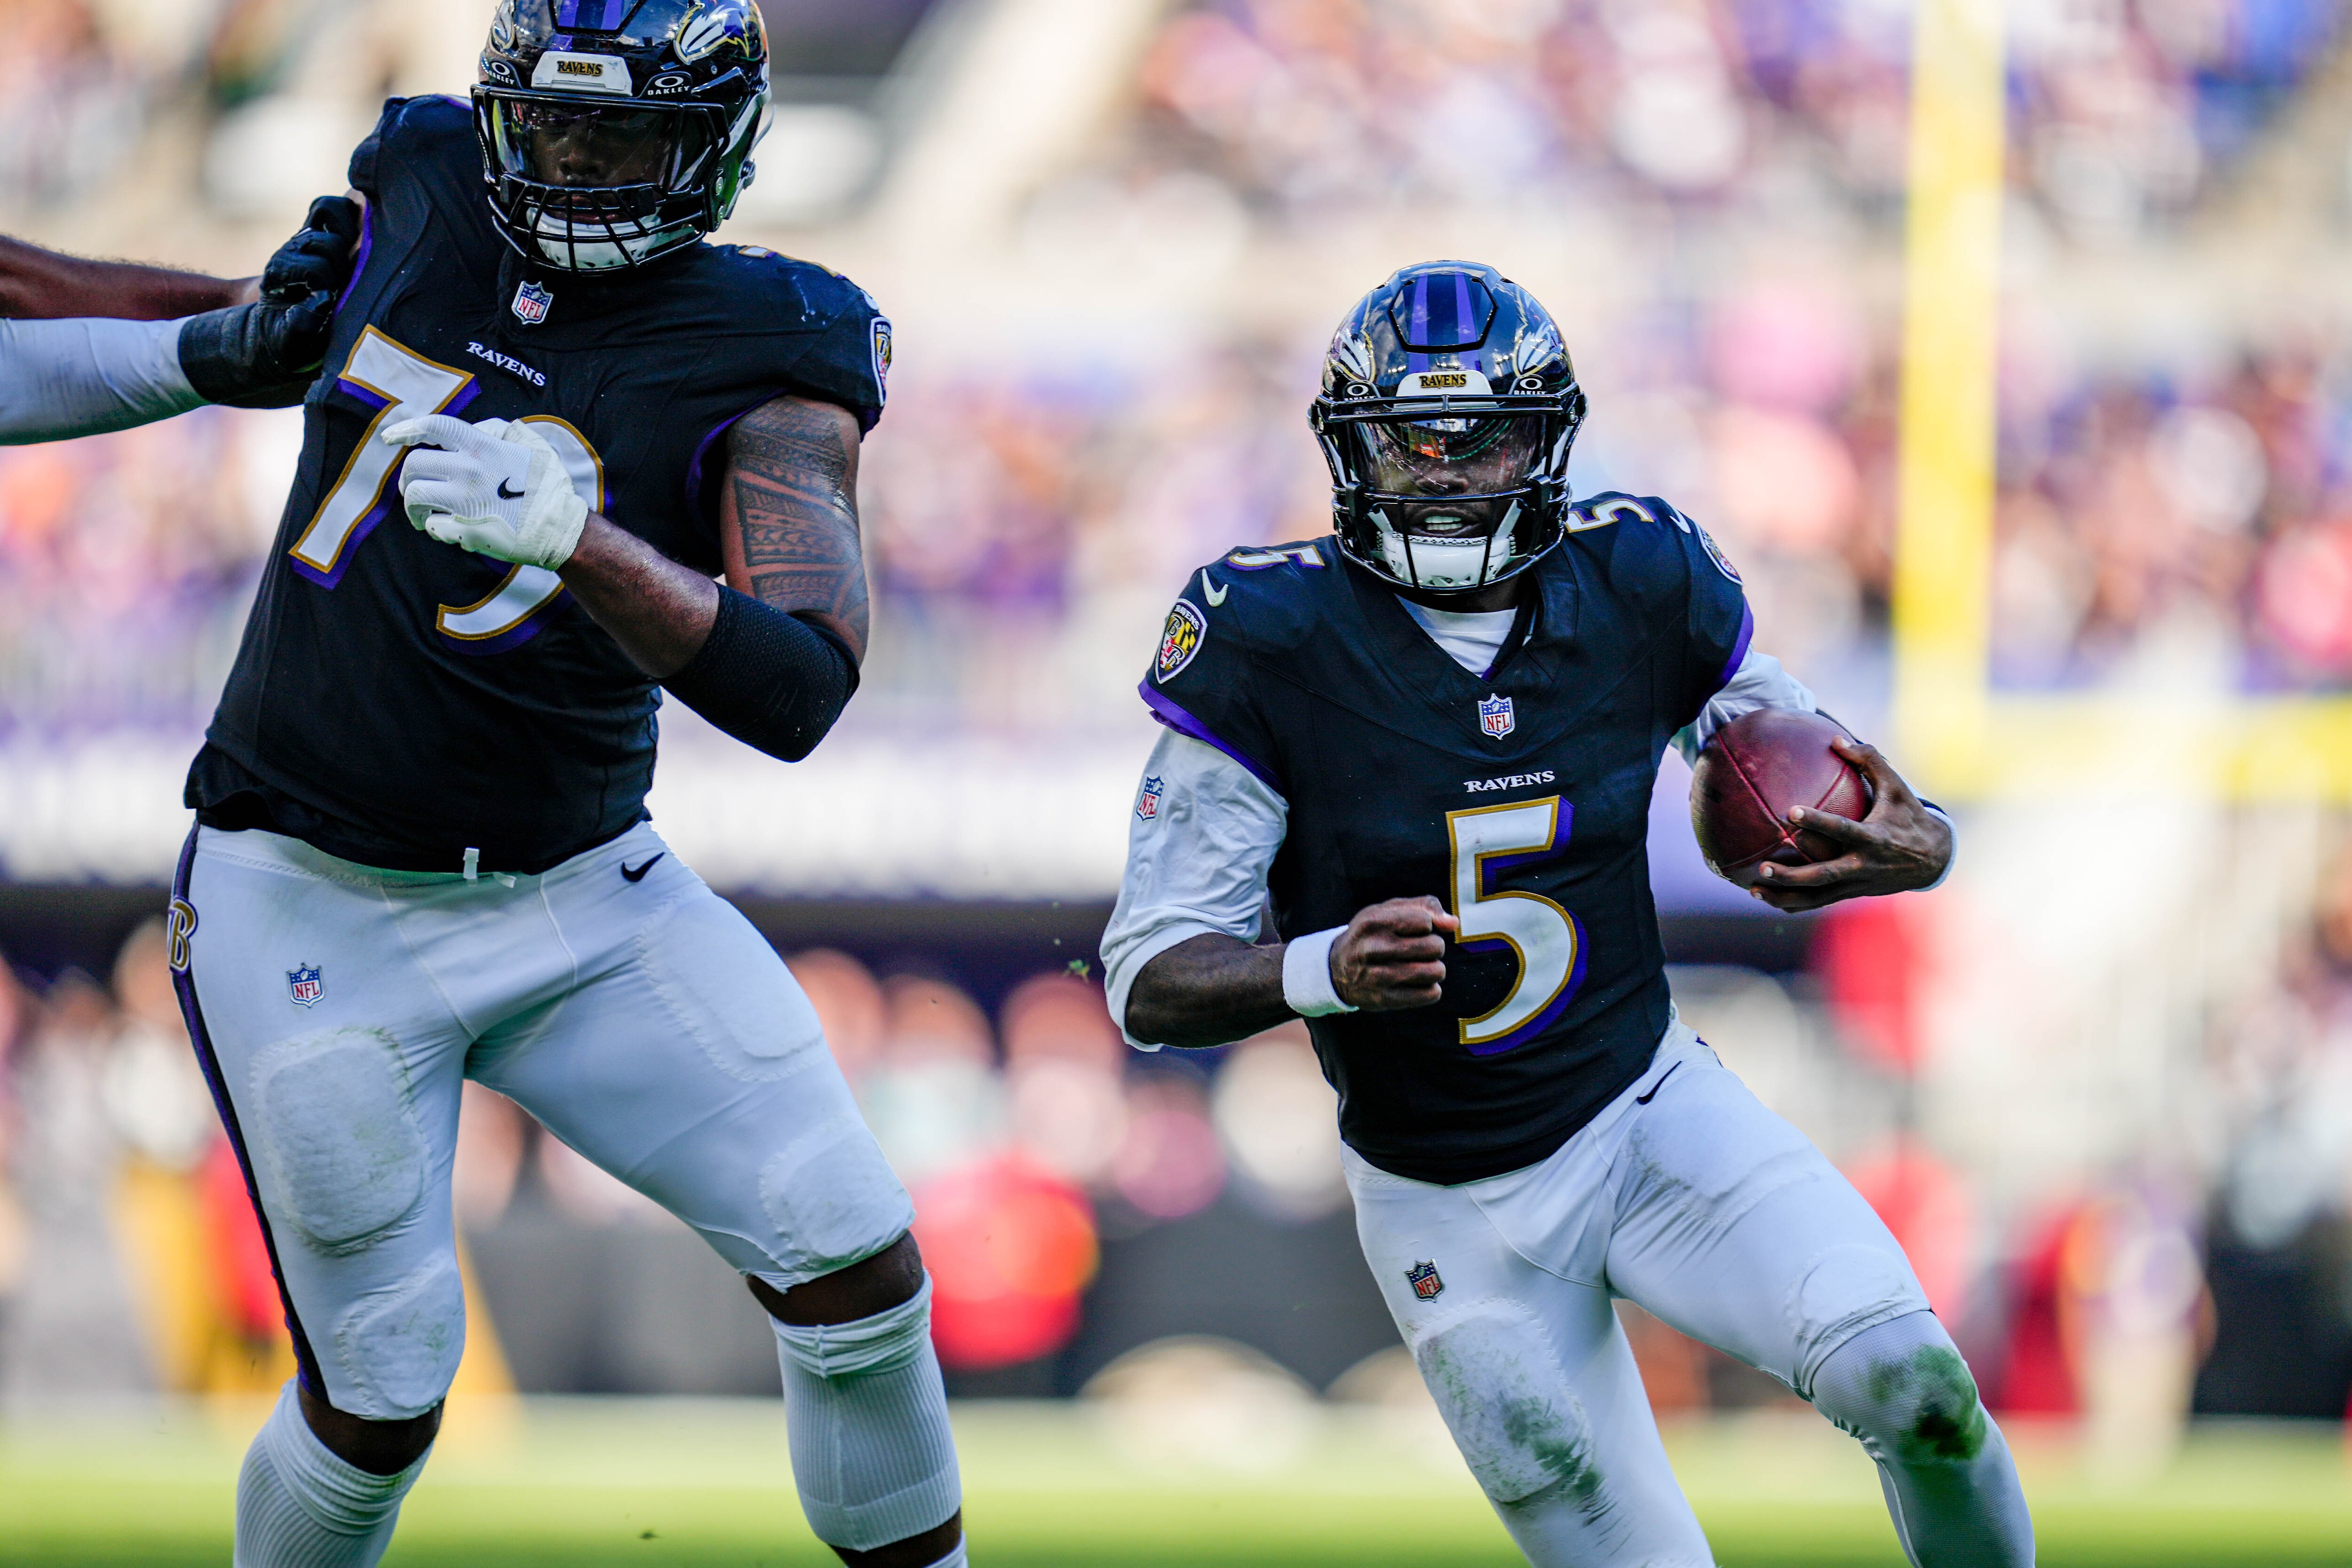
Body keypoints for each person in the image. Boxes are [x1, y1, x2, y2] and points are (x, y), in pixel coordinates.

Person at [0, 4, 961, 1566]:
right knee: (381, 1397)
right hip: (308, 895)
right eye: (554, 126)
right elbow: (268, 326)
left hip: (586, 898)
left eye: (624, 134)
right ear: (500, 112)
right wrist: (229, 330)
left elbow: (799, 690)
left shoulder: (775, 338)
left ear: (714, 147)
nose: (578, 167)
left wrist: (583, 544)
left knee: (855, 1259)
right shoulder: (431, 175)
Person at [1102, 261, 2034, 1568]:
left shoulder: (1640, 575)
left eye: (1481, 438)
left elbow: (1825, 772)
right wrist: (1323, 968)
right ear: (1347, 448)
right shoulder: (1267, 631)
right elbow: (1146, 976)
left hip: (1645, 1116)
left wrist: (1916, 840)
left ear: (1548, 444)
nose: (1443, 471)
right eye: (1408, 440)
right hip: (1447, 1202)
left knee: (1918, 1392)